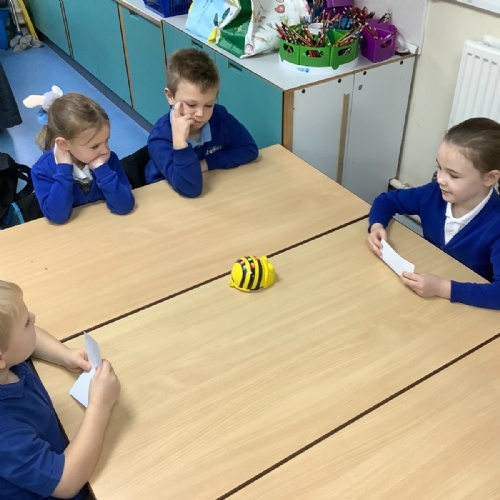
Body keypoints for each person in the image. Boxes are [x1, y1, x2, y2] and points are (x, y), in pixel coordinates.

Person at [0, 280, 120, 499]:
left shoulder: (8, 357)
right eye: (26, 323)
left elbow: (28, 338)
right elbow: (65, 483)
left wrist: (64, 354)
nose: (34, 317)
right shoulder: (5, 435)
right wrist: (99, 406)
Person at [368, 117, 500, 310]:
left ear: (489, 178)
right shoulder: (433, 194)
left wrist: (442, 288)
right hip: (424, 293)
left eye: (453, 175)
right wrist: (377, 225)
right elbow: (387, 200)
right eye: (439, 168)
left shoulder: (496, 225)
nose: (440, 179)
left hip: (468, 308)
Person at [145, 48, 259, 197]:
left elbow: (249, 149)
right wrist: (179, 143)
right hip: (167, 198)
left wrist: (205, 164)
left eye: (209, 105)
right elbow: (190, 188)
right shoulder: (160, 138)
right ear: (170, 96)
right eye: (191, 104)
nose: (200, 113)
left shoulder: (219, 117)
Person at [31, 93, 135, 224]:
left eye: (106, 140)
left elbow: (125, 206)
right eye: (95, 146)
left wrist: (102, 171)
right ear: (64, 144)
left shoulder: (108, 160)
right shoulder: (43, 170)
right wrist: (64, 171)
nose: (105, 150)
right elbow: (57, 216)